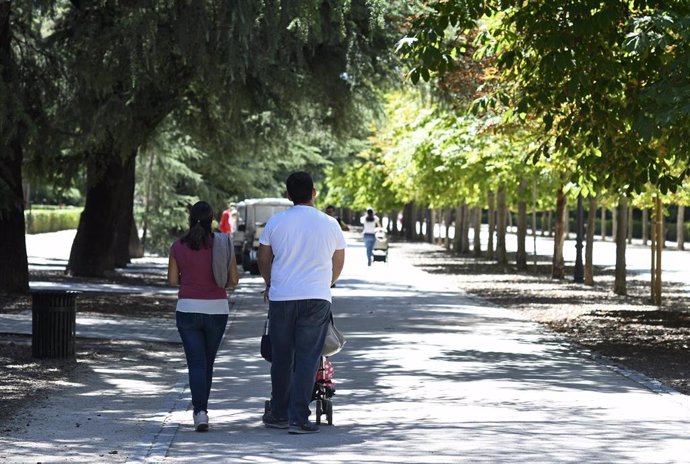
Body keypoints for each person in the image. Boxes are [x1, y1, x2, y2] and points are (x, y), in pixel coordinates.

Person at [257, 172, 346, 434]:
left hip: (282, 297)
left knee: (282, 358)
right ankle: (299, 418)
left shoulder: (276, 222)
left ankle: (279, 413)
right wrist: (326, 284)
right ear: (314, 192)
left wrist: (270, 283)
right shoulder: (330, 223)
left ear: (288, 195)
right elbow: (338, 261)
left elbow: (264, 257)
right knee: (308, 358)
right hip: (316, 298)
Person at [167, 200, 239, 432]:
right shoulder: (223, 243)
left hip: (187, 309)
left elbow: (172, 280)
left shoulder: (178, 246)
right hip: (217, 310)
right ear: (212, 221)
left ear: (190, 219)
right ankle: (202, 410)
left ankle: (200, 412)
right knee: (207, 363)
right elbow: (233, 281)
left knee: (196, 363)